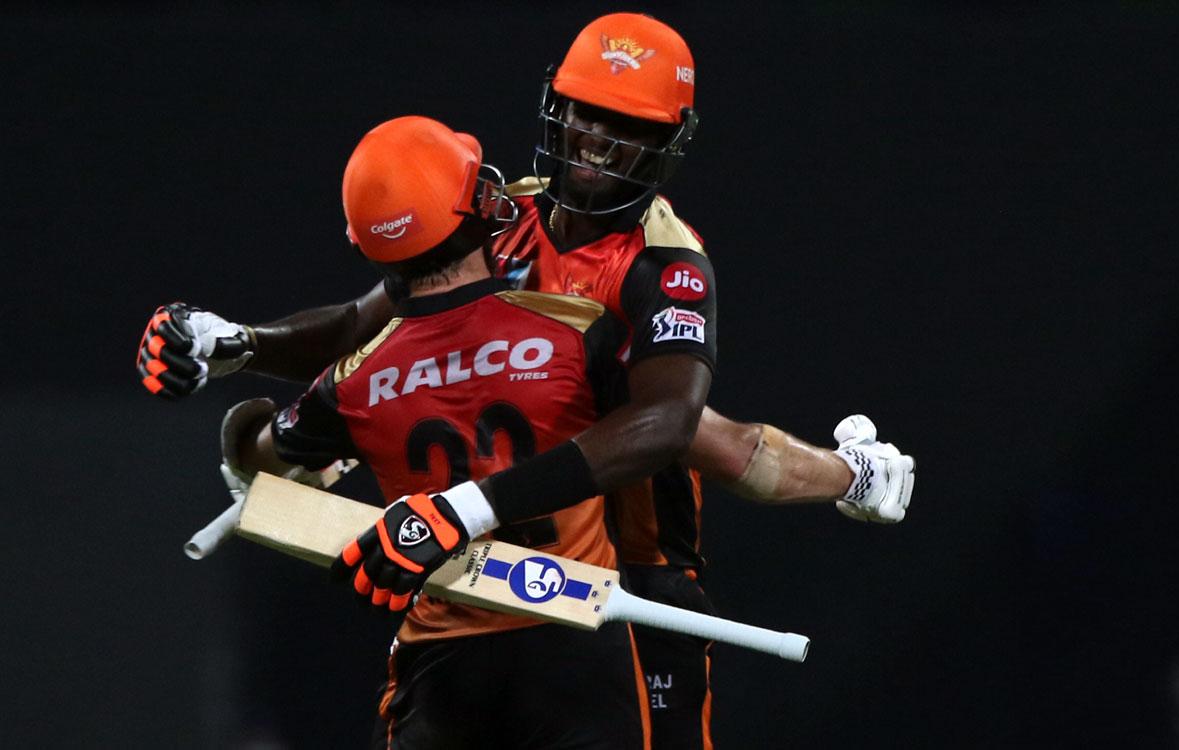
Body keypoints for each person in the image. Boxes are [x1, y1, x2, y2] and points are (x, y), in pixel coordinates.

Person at [138, 14, 914, 748]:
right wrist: (235, 341)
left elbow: (674, 430)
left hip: (625, 578)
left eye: (628, 130)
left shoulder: (663, 261)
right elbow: (363, 324)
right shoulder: (502, 218)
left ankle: (851, 473)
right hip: (476, 582)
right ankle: (855, 473)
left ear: (667, 143)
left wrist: (449, 504)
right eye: (584, 116)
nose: (597, 146)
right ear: (555, 108)